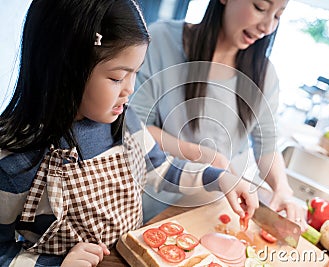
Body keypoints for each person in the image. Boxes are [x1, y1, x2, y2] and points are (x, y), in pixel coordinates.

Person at [0, 0, 258, 266]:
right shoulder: (15, 160)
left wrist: (220, 178)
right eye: (117, 78)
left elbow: (160, 171)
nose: (130, 89)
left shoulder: (125, 119)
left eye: (135, 73)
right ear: (66, 68)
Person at [131, 0, 307, 229]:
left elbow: (268, 146)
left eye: (277, 16)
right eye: (260, 8)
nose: (267, 27)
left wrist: (283, 189)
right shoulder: (161, 40)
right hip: (153, 201)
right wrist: (204, 155)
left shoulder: (265, 76)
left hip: (217, 211)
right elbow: (133, 125)